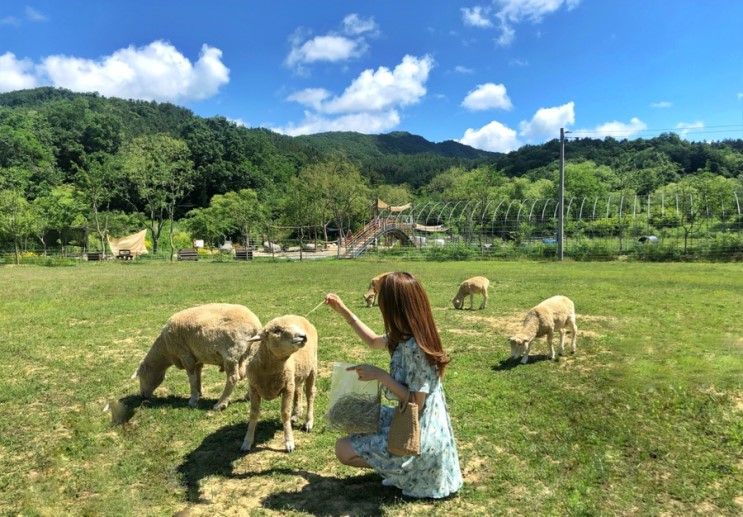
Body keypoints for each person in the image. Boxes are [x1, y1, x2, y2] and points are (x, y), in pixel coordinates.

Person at [324, 271, 463, 499]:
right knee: (353, 416)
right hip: (407, 417)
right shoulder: (405, 334)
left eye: (384, 303)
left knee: (343, 448)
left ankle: (407, 472)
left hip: (419, 435)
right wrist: (342, 309)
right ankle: (395, 467)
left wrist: (380, 375)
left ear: (397, 308)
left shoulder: (417, 349)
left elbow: (416, 403)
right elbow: (372, 341)